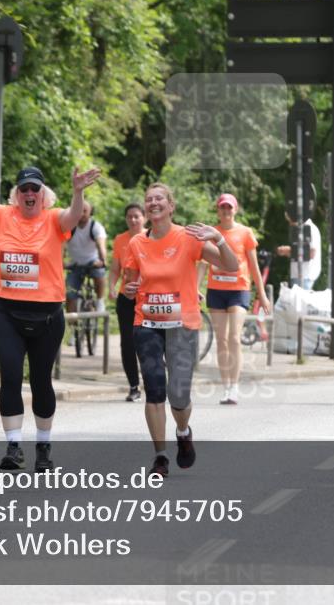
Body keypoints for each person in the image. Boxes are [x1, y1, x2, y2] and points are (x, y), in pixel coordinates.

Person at [0, 148, 100, 471]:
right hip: (8, 313)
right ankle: (14, 446)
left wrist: (78, 191)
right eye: (24, 189)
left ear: (43, 195)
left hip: (47, 315)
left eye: (35, 189)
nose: (29, 194)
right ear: (16, 195)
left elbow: (74, 216)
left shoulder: (55, 218)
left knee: (42, 381)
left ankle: (43, 448)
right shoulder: (2, 215)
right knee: (12, 376)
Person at [122, 182, 238, 477]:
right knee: (154, 389)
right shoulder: (136, 243)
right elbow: (128, 288)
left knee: (178, 394)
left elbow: (231, 266)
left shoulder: (188, 237)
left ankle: (183, 432)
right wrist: (129, 289)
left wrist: (220, 240)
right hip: (146, 323)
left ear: (171, 206)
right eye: (149, 199)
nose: (153, 203)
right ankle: (160, 456)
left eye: (160, 198)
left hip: (182, 325)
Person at [199, 193, 272, 405]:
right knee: (221, 340)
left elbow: (254, 266)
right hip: (216, 291)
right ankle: (226, 386)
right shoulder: (211, 233)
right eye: (222, 208)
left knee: (234, 337)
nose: (226, 211)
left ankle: (236, 386)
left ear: (235, 210)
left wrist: (262, 295)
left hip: (239, 289)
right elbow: (203, 263)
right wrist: (195, 288)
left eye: (229, 208)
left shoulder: (245, 233)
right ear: (217, 210)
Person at [107, 203, 147, 402]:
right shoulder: (120, 239)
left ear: (144, 218)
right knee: (128, 342)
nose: (133, 220)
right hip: (127, 297)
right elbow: (115, 268)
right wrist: (112, 286)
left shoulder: (151, 237)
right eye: (130, 216)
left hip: (148, 298)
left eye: (137, 216)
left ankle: (153, 379)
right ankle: (133, 385)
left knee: (148, 340)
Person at [65, 200, 108, 316]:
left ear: (90, 212)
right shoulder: (69, 227)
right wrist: (60, 262)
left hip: (92, 262)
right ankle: (73, 329)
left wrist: (102, 260)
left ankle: (100, 300)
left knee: (99, 273)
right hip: (75, 264)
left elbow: (100, 245)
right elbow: (60, 245)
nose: (81, 213)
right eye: (79, 210)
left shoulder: (95, 227)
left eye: (85, 211)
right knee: (69, 294)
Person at [276, 216, 321, 290]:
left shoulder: (310, 228)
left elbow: (311, 253)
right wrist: (287, 252)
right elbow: (300, 253)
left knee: (299, 301)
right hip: (299, 275)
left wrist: (289, 250)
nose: (290, 224)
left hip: (305, 276)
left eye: (290, 220)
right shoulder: (300, 229)